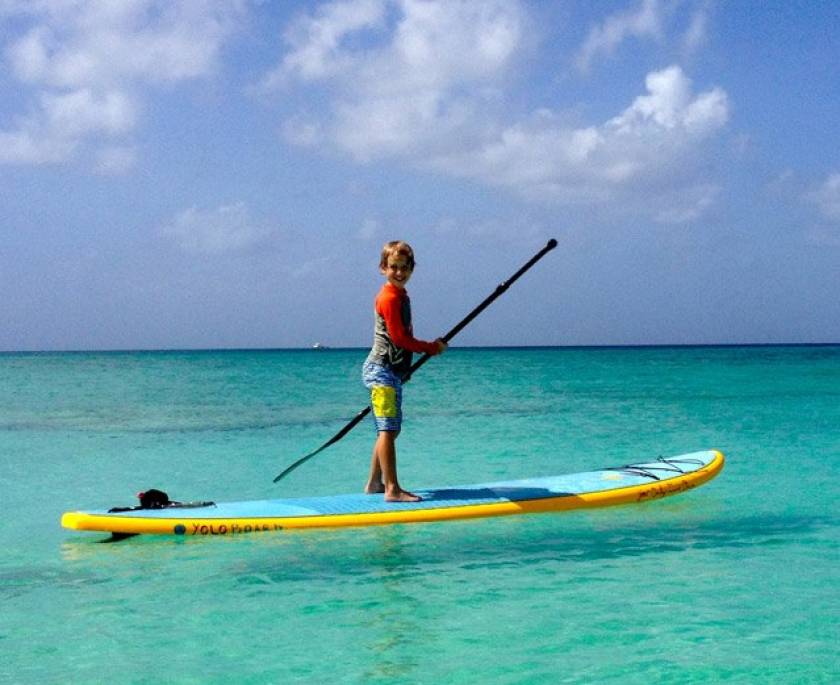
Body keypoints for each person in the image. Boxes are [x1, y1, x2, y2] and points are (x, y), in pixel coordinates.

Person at [362, 240, 447, 502]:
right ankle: (392, 489)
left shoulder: (401, 296)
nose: (399, 272)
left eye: (404, 268)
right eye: (393, 267)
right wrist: (430, 348)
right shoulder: (388, 298)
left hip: (392, 372)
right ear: (382, 268)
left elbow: (400, 339)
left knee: (391, 430)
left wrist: (404, 368)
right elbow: (399, 338)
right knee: (387, 430)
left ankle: (374, 483)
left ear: (412, 269)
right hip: (381, 371)